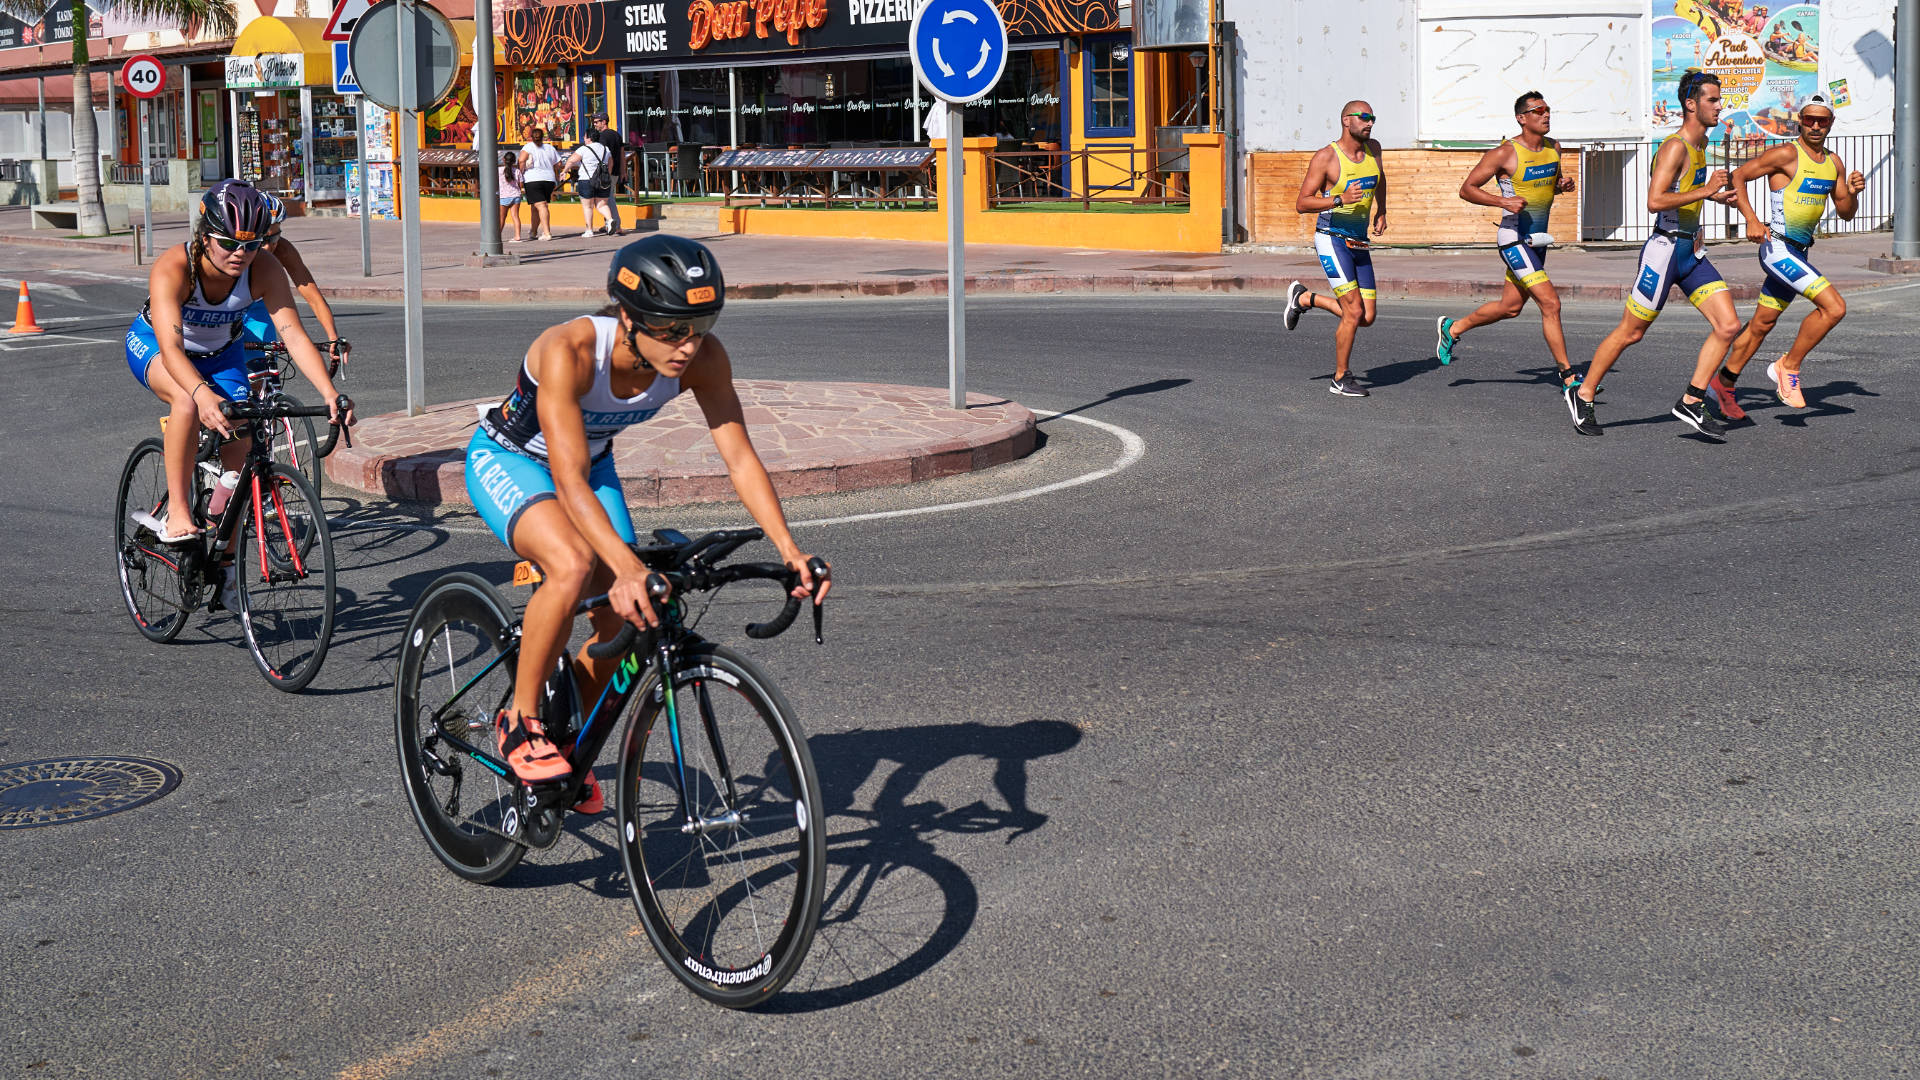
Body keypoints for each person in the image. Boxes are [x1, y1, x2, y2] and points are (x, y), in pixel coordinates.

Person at [463, 235, 829, 793]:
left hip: (593, 468)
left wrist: (789, 549)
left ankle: (566, 739)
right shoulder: (571, 350)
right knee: (572, 564)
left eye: (700, 327)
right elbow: (567, 478)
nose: (686, 346)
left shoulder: (702, 359)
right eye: (671, 329)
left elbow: (739, 456)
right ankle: (520, 718)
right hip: (511, 458)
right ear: (629, 316)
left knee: (625, 619)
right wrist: (626, 566)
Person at [123, 180, 353, 602]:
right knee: (188, 403)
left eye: (251, 245)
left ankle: (226, 558)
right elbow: (172, 349)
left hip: (221, 352)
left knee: (245, 436)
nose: (240, 254)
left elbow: (293, 334)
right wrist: (200, 392)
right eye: (228, 243)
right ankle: (177, 511)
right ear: (205, 236)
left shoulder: (263, 268)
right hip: (158, 346)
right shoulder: (175, 268)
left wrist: (328, 392)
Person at [1564, 72, 1741, 439]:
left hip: (1691, 252)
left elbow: (1687, 191)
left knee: (1728, 326)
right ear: (1691, 104)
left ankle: (1692, 401)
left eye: (1719, 99)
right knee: (1631, 333)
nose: (1720, 106)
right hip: (1663, 252)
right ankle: (1582, 394)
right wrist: (1706, 190)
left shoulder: (1701, 143)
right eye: (1713, 100)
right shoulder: (1675, 146)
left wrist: (1712, 196)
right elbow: (1654, 201)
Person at [1709, 96, 1865, 416]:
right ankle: (1788, 367)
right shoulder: (1784, 154)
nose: (1816, 126)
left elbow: (1846, 213)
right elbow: (1738, 175)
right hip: (1777, 247)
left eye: (1822, 121)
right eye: (1809, 120)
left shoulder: (1833, 163)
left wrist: (1853, 193)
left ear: (1831, 124)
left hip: (1800, 253)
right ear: (1800, 121)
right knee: (1834, 307)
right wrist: (1751, 219)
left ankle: (1723, 383)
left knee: (1762, 324)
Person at [1433, 91, 1580, 391]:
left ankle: (1453, 327)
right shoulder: (1505, 153)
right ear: (1522, 118)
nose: (1546, 115)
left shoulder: (1554, 147)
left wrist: (1562, 185)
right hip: (1513, 239)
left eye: (1548, 109)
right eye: (1538, 110)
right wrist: (1503, 201)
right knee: (1551, 304)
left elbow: (1549, 185)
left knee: (1510, 307)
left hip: (1537, 241)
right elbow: (1467, 189)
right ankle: (1568, 377)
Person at [1281, 101, 1389, 398]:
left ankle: (1304, 298)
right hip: (1331, 238)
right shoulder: (1327, 158)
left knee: (1366, 317)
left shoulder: (1374, 149)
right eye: (1364, 118)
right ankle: (1341, 378)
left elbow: (1380, 179)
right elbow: (1302, 203)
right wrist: (1340, 199)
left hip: (1358, 241)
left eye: (1372, 118)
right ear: (1346, 121)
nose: (1369, 123)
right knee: (1353, 311)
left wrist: (1382, 210)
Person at [241, 195, 350, 378]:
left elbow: (312, 296)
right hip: (228, 309)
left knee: (264, 376)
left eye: (274, 236)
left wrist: (333, 337)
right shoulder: (236, 252)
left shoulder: (283, 250)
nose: (268, 247)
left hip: (258, 309)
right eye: (262, 239)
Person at [561, 132, 616, 238]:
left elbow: (572, 160)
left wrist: (565, 171)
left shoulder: (584, 149)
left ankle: (589, 230)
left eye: (584, 136)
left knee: (588, 207)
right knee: (602, 205)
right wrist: (607, 175)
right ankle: (610, 220)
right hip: (602, 180)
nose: (583, 138)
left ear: (589, 138)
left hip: (586, 179)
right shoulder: (606, 149)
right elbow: (611, 163)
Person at [518, 126, 562, 241]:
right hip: (548, 180)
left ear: (531, 137)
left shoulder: (528, 147)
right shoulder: (550, 148)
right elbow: (558, 163)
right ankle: (533, 231)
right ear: (543, 138)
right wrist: (556, 173)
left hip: (532, 179)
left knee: (541, 205)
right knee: (535, 206)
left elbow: (521, 160)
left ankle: (547, 233)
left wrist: (521, 172)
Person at [592, 114, 625, 235]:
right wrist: (623, 171)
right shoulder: (616, 134)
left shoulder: (602, 137)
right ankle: (608, 224)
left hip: (605, 171)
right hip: (615, 170)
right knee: (606, 198)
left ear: (604, 122)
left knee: (608, 199)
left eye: (597, 122)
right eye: (594, 122)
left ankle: (617, 225)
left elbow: (602, 155)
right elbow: (622, 154)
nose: (594, 124)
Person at [499, 150, 527, 243]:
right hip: (516, 196)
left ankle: (498, 236)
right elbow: (521, 184)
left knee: (502, 217)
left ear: (503, 160)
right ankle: (517, 236)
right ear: (514, 161)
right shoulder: (517, 171)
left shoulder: (499, 171)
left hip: (504, 197)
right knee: (515, 216)